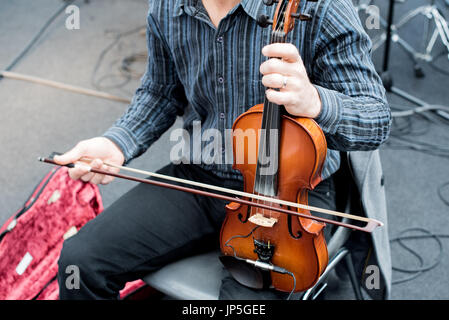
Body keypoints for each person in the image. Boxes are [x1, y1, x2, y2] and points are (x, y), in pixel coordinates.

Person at [55, 0, 391, 299]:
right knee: (81, 264)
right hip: (202, 175)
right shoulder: (167, 7)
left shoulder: (322, 7)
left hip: (292, 192)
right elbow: (159, 91)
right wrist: (116, 142)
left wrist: (316, 101)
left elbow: (376, 120)